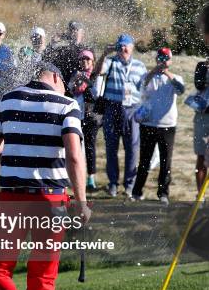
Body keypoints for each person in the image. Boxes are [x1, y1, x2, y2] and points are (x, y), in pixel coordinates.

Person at [0, 62, 90, 290]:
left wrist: (15, 143)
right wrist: (82, 201)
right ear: (55, 77)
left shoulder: (8, 99)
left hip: (12, 199)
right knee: (43, 276)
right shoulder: (67, 105)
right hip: (52, 200)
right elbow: (74, 155)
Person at [95, 34, 147, 197]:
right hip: (112, 108)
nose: (123, 49)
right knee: (111, 148)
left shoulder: (140, 66)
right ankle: (112, 184)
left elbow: (145, 90)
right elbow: (97, 71)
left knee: (132, 148)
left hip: (132, 109)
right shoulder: (110, 62)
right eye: (120, 46)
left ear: (132, 47)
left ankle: (129, 185)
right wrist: (104, 54)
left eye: (126, 46)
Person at [130, 48, 184, 204]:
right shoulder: (148, 76)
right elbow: (140, 86)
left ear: (170, 61)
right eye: (160, 58)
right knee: (144, 161)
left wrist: (166, 73)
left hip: (167, 126)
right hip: (148, 124)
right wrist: (154, 71)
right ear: (156, 59)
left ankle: (163, 193)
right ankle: (137, 191)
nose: (163, 61)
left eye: (166, 59)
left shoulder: (175, 78)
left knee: (166, 162)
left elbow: (181, 90)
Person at [69, 49, 101, 192]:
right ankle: (77, 177)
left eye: (88, 59)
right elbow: (69, 89)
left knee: (90, 148)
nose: (85, 62)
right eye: (82, 59)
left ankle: (91, 179)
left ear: (92, 61)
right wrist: (75, 79)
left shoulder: (95, 75)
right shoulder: (76, 74)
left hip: (91, 117)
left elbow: (96, 94)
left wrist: (86, 80)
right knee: (76, 149)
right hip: (77, 117)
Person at [44, 21, 86, 97]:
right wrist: (52, 44)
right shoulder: (63, 49)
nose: (73, 32)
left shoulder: (86, 51)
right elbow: (46, 60)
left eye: (76, 30)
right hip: (62, 89)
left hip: (80, 93)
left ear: (82, 34)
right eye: (71, 30)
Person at [193, 4, 209, 195]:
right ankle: (200, 196)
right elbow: (198, 85)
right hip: (204, 116)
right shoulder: (202, 65)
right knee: (201, 158)